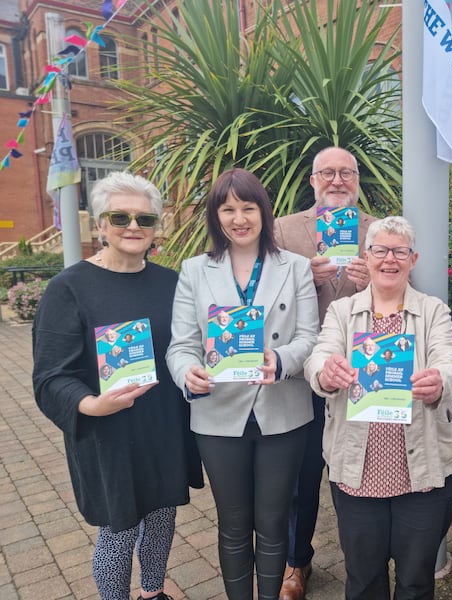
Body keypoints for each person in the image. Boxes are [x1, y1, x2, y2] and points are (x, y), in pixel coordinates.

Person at [32, 171, 203, 600]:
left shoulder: (171, 283)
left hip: (164, 424)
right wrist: (90, 405)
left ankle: (152, 591)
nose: (133, 227)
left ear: (155, 228)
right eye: (121, 216)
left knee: (164, 516)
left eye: (145, 220)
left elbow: (188, 345)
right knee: (119, 529)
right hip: (108, 432)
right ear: (100, 224)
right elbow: (50, 376)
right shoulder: (68, 288)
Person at [166, 168, 319, 600]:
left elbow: (311, 337)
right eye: (227, 209)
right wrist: (187, 372)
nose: (239, 218)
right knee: (233, 523)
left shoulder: (295, 268)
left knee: (272, 523)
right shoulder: (195, 270)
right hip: (217, 414)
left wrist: (282, 359)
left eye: (248, 208)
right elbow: (181, 345)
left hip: (282, 410)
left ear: (263, 213)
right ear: (216, 217)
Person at [305, 216, 452, 600]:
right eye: (381, 251)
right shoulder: (342, 312)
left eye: (399, 251)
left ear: (413, 259)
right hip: (357, 473)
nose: (389, 259)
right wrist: (326, 373)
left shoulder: (432, 311)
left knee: (415, 581)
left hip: (423, 471)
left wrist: (440, 381)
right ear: (367, 256)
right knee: (363, 581)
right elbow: (318, 357)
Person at [273, 146, 377, 600]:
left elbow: (405, 292)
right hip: (303, 373)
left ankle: (368, 564)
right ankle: (297, 562)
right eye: (327, 173)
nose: (337, 180)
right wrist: (303, 281)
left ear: (357, 179)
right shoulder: (283, 229)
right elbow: (264, 302)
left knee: (363, 472)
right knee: (302, 475)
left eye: (346, 173)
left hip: (365, 374)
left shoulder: (379, 230)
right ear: (312, 180)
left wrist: (372, 282)